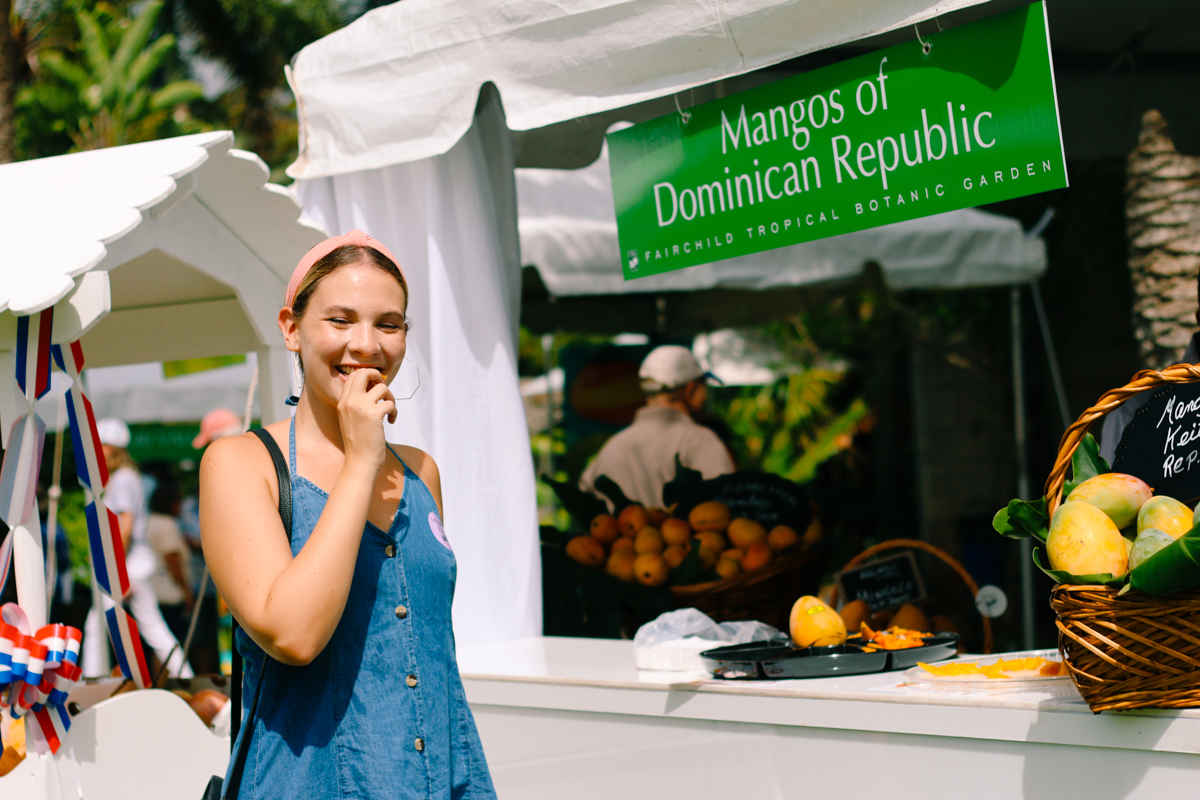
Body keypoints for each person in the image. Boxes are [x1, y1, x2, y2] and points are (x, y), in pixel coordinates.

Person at [200, 229, 495, 798]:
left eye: (389, 324)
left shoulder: (420, 472)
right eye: (340, 320)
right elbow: (294, 634)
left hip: (443, 780)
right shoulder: (240, 463)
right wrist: (362, 460)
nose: (367, 344)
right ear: (291, 329)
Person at [82, 419, 193, 678]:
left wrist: (115, 568)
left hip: (127, 564)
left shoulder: (122, 480)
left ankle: (91, 684)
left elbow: (126, 526)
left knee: (97, 625)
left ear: (111, 448)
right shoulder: (128, 478)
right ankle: (186, 678)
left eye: (101, 447)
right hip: (134, 564)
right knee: (152, 628)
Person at [581, 344, 735, 509]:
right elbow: (725, 506)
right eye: (704, 386)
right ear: (691, 390)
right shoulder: (699, 441)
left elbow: (585, 494)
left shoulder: (612, 447)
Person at [147, 475, 194, 644]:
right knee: (170, 643)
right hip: (170, 594)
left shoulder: (149, 521)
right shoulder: (167, 524)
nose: (180, 507)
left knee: (158, 642)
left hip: (152, 589)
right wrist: (187, 592)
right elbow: (172, 560)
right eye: (178, 502)